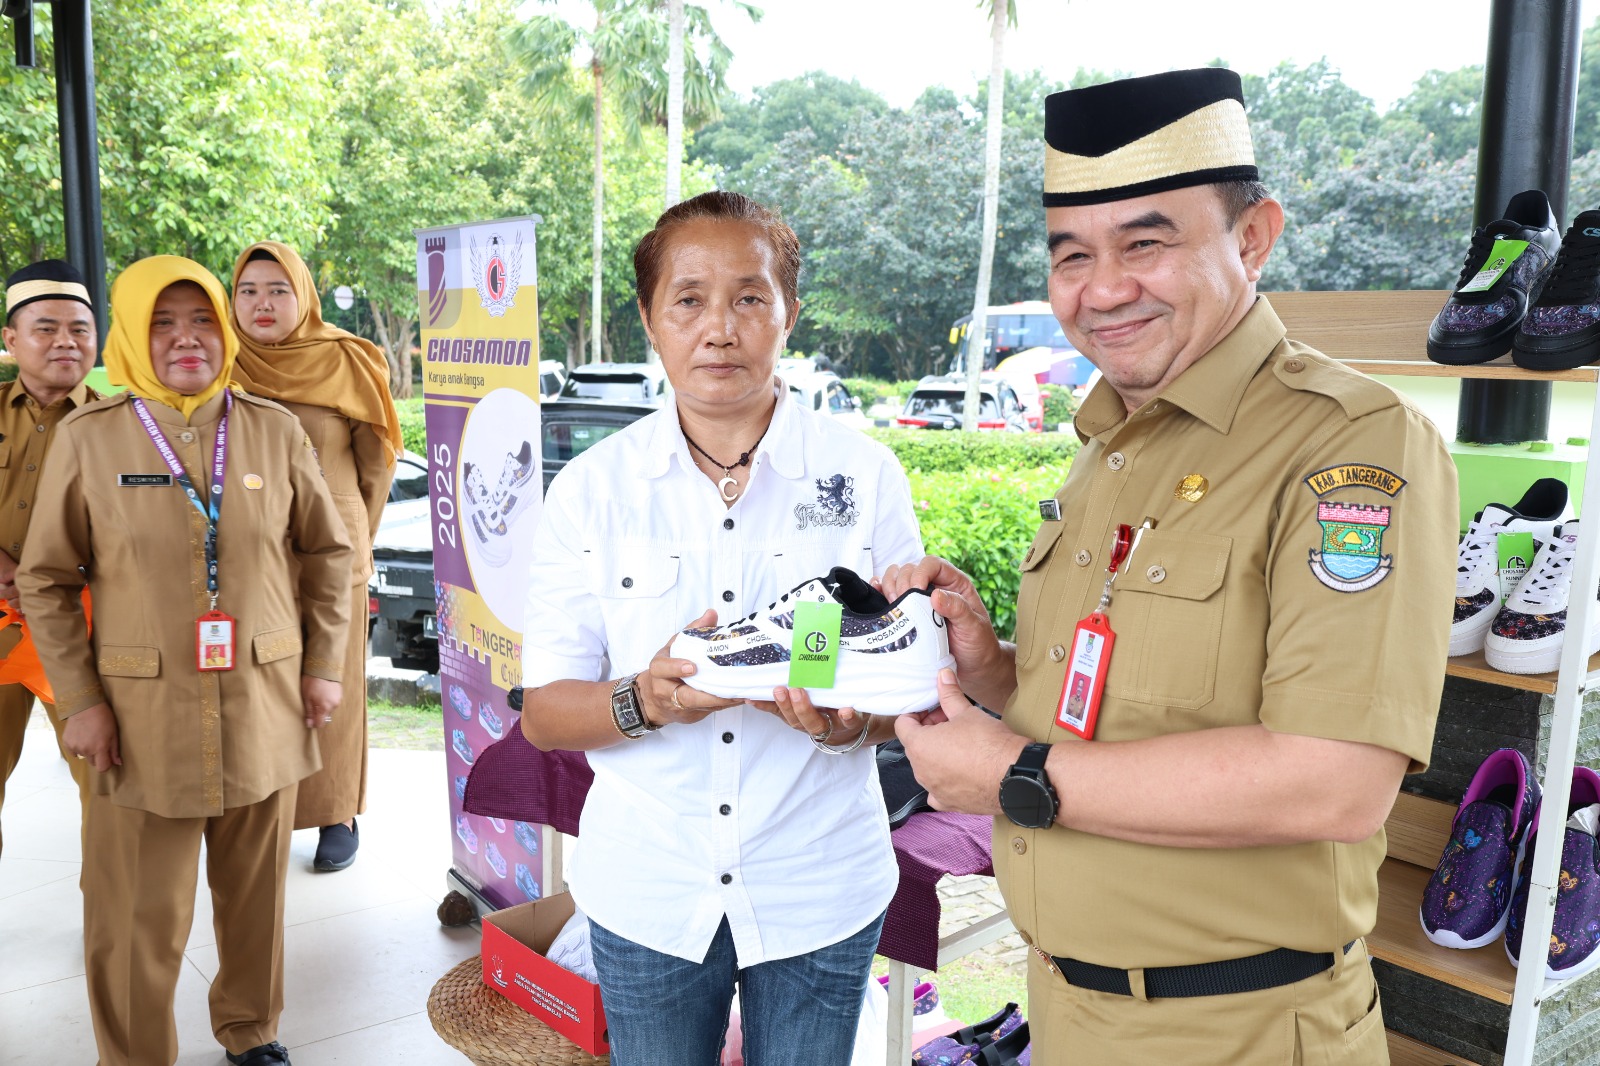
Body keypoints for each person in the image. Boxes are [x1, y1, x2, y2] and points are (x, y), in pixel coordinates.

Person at [884, 68, 1459, 1065]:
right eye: (1072, 254)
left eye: (1145, 243)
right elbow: (1122, 701)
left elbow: (1331, 782)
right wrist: (991, 667)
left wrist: (1013, 773)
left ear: (1251, 237)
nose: (1102, 289)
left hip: (1235, 1030)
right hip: (1066, 1011)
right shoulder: (1111, 439)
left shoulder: (1350, 449)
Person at [520, 190, 921, 1066]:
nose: (721, 329)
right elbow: (544, 713)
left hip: (821, 887)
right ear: (650, 318)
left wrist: (858, 721)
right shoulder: (591, 491)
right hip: (650, 892)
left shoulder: (864, 475)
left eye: (749, 297)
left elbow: (906, 682)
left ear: (788, 313)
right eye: (690, 299)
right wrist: (645, 701)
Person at [17, 255, 354, 1066]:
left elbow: (328, 554)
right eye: (162, 323)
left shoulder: (272, 429)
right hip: (140, 718)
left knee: (255, 897)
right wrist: (82, 703)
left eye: (201, 319)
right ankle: (134, 1053)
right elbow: (47, 579)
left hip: (264, 699)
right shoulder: (89, 438)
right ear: (134, 333)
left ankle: (251, 1029)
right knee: (135, 912)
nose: (185, 339)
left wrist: (323, 666)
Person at [228, 240, 400, 872]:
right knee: (259, 681)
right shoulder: (221, 359)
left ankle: (335, 812)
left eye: (278, 289)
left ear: (303, 295)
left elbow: (376, 462)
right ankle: (264, 805)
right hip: (250, 552)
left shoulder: (345, 359)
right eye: (248, 291)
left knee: (333, 678)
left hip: (335, 546)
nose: (262, 303)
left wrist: (358, 534)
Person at [0, 260, 99, 857]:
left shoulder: (122, 423)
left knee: (107, 782)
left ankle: (114, 935)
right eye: (45, 328)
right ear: (11, 340)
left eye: (80, 328)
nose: (65, 341)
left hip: (81, 631)